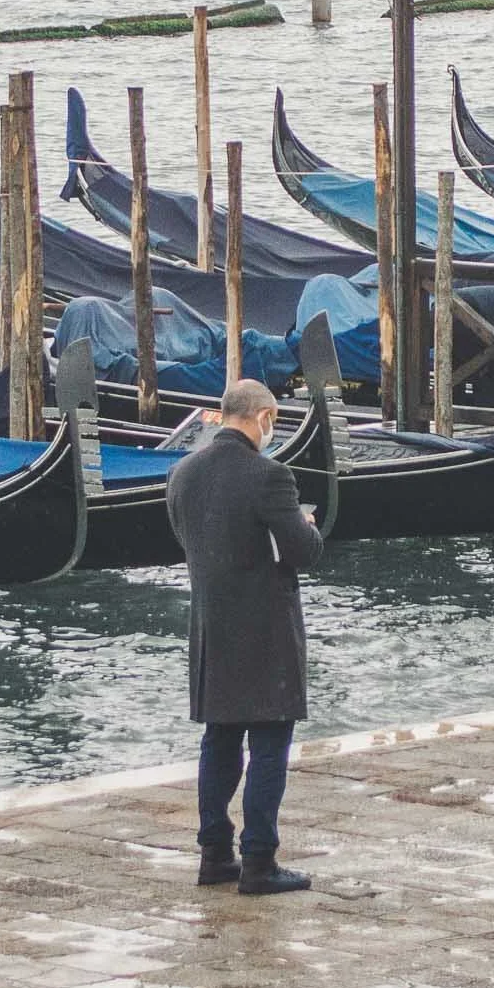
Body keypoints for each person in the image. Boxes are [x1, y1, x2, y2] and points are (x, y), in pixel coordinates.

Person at [165, 379, 323, 896]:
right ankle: (259, 860)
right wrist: (305, 523)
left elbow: (191, 538)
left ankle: (214, 853)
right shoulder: (269, 475)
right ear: (263, 416)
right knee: (271, 742)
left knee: (220, 739)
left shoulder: (182, 472)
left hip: (212, 626)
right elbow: (303, 550)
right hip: (266, 629)